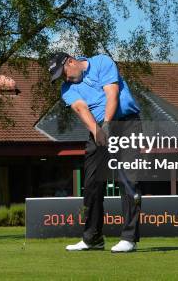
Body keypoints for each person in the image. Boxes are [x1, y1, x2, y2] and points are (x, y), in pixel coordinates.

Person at [48, 52, 142, 253]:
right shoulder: (67, 89)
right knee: (91, 182)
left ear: (71, 61)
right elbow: (82, 109)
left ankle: (129, 238)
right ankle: (92, 238)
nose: (64, 79)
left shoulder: (102, 62)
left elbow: (112, 94)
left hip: (127, 124)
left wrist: (107, 126)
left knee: (128, 180)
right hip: (97, 129)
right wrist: (98, 131)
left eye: (63, 73)